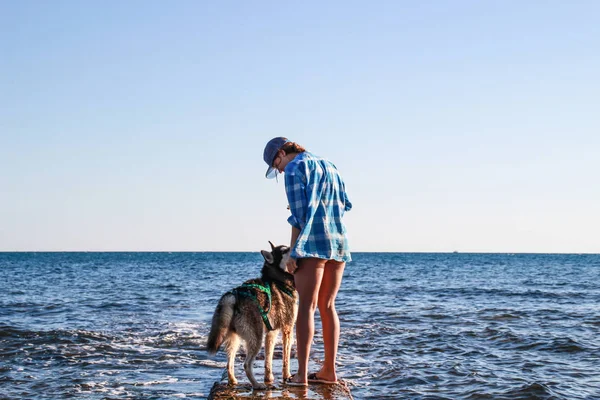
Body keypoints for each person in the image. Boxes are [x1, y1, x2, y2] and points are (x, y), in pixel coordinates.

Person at [262, 137, 352, 386]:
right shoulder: (330, 166)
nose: (279, 170)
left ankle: (300, 375)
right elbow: (346, 205)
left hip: (311, 243)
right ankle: (328, 372)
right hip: (338, 241)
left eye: (276, 164)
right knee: (328, 306)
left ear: (282, 153)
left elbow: (298, 216)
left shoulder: (294, 168)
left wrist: (293, 251)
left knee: (306, 307)